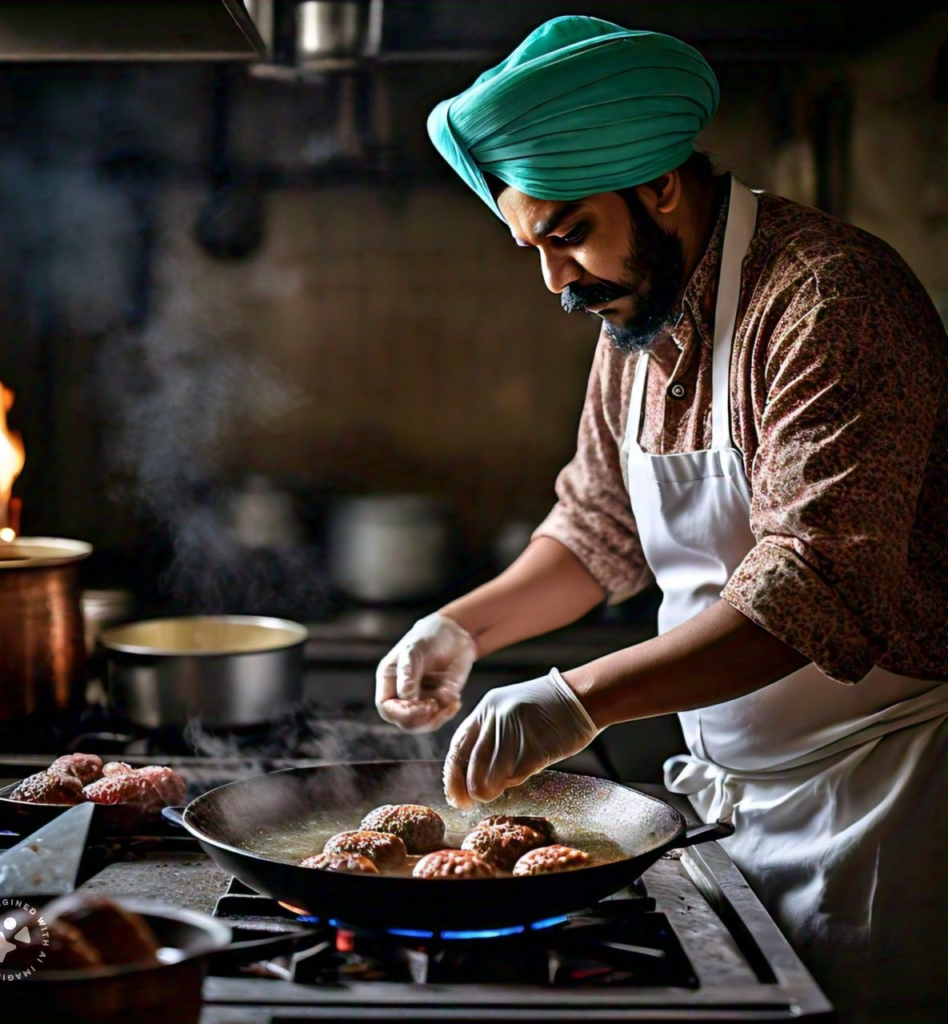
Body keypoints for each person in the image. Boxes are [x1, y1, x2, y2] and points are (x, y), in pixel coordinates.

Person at [373, 16, 947, 1024]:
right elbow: (598, 529)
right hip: (731, 805)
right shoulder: (639, 319)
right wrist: (464, 626)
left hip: (881, 805)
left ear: (660, 187)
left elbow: (812, 591)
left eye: (568, 232)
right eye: (533, 246)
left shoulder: (828, 301)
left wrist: (578, 700)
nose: (556, 280)